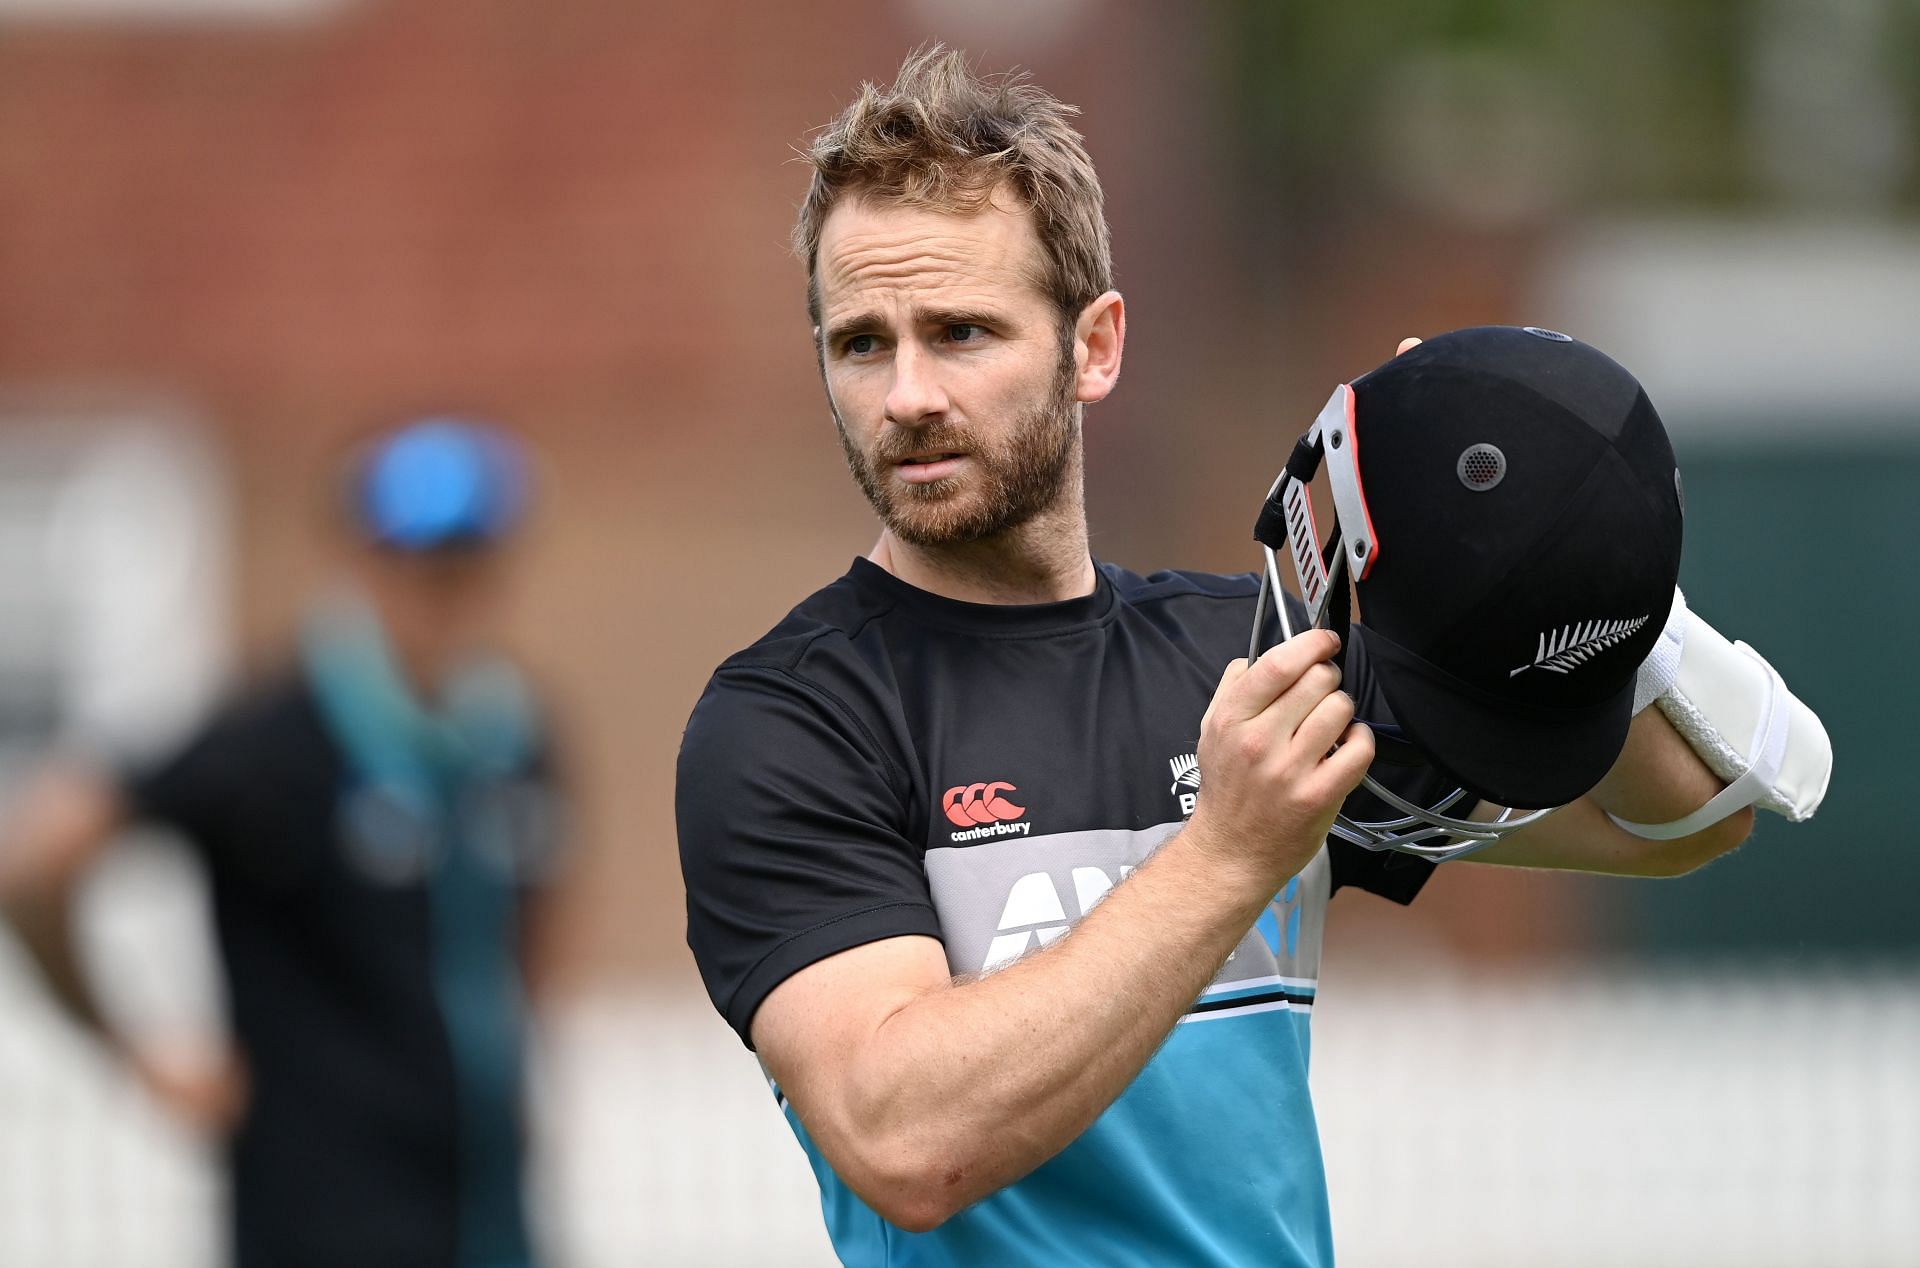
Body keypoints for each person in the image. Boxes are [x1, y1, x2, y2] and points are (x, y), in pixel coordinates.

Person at [676, 49, 1825, 1266]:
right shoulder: (790, 721)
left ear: (1094, 346)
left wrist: (1559, 530)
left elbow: (1690, 813)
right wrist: (1229, 848)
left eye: (962, 331)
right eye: (861, 343)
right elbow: (906, 1138)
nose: (907, 393)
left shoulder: (1264, 653)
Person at [0, 418, 565, 1268]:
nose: (445, 591)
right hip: (323, 1220)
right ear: (361, 559)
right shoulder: (275, 737)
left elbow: (537, 903)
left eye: (467, 561)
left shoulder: (514, 737)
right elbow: (39, 858)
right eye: (420, 561)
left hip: (486, 1212)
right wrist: (134, 1051)